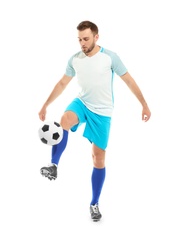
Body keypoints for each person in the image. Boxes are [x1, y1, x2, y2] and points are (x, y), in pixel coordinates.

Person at [38, 20, 151, 221]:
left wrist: (144, 104)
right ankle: (54, 165)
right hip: (82, 103)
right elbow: (62, 83)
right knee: (65, 119)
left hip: (103, 112)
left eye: (86, 39)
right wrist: (45, 105)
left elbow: (129, 80)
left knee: (98, 158)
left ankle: (94, 203)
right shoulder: (75, 59)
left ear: (96, 37)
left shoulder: (110, 57)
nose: (82, 43)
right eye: (79, 39)